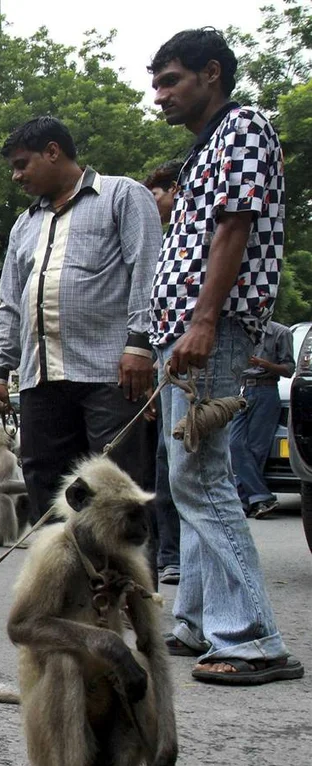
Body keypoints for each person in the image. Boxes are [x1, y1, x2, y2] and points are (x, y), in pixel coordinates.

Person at [148, 28, 302, 684]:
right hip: (182, 332)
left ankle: (251, 638)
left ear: (212, 74)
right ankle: (197, 620)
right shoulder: (205, 145)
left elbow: (234, 228)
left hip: (206, 329)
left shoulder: (241, 128)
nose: (160, 95)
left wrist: (204, 320)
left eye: (172, 80)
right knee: (188, 476)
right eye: (156, 84)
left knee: (204, 477)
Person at [0, 116, 162, 523]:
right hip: (40, 380)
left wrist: (139, 344)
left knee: (117, 490)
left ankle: (125, 586)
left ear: (53, 151)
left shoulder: (123, 195)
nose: (16, 176)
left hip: (108, 375)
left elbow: (147, 272)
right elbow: (11, 303)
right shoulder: (24, 225)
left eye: (22, 163)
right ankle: (63, 584)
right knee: (47, 487)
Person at [143, 160, 187, 585]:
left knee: (189, 478)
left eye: (154, 194)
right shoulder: (164, 240)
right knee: (165, 474)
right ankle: (169, 557)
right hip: (164, 362)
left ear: (175, 189)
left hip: (187, 359)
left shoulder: (195, 234)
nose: (150, 203)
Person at [230, 321, 295, 518]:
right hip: (238, 390)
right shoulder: (237, 328)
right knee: (234, 445)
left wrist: (264, 364)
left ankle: (246, 502)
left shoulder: (281, 332)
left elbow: (289, 369)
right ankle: (261, 497)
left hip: (265, 390)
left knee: (257, 449)